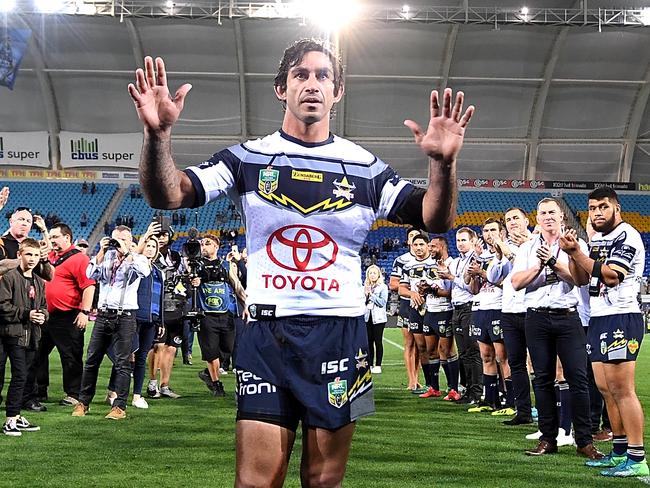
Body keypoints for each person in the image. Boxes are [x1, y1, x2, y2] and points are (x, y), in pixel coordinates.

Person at [128, 38, 474, 486]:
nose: (312, 84)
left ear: (338, 91)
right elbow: (168, 194)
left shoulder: (366, 167)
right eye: (300, 75)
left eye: (323, 76)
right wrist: (157, 138)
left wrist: (443, 166)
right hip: (267, 335)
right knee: (255, 482)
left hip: (342, 336)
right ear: (281, 89)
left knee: (324, 481)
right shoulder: (247, 158)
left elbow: (435, 218)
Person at [560, 188, 648, 477]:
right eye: (593, 208)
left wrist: (577, 253)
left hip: (621, 317)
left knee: (623, 390)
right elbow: (580, 278)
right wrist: (572, 255)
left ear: (617, 209)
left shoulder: (627, 236)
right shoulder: (597, 240)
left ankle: (637, 459)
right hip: (599, 318)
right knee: (606, 390)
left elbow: (611, 276)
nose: (597, 213)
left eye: (603, 207)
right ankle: (619, 451)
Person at [511, 197, 603, 460]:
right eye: (543, 213)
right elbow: (517, 282)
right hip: (536, 318)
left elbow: (580, 279)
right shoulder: (528, 248)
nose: (548, 217)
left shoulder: (576, 244)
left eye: (553, 212)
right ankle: (547, 439)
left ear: (562, 217)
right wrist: (541, 266)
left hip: (568, 317)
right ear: (537, 219)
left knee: (578, 378)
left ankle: (584, 440)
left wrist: (552, 263)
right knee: (542, 378)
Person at [71, 226, 150, 420]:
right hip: (103, 315)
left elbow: (144, 271)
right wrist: (101, 251)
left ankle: (119, 407)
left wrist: (127, 253)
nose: (118, 243)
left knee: (122, 363)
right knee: (91, 360)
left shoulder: (138, 258)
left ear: (131, 241)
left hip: (125, 316)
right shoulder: (105, 257)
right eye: (115, 239)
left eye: (123, 239)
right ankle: (83, 402)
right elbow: (90, 274)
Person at [36, 223, 95, 408]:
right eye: (50, 237)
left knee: (70, 356)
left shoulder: (80, 259)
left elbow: (89, 285)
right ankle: (38, 390)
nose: (52, 240)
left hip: (68, 315)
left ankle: (73, 393)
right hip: (46, 315)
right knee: (37, 354)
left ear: (67, 238)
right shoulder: (51, 257)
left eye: (55, 237)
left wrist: (85, 312)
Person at [0, 238, 48, 436]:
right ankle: (10, 419)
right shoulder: (9, 277)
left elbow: (44, 307)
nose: (32, 259)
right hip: (12, 335)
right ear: (19, 254)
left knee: (24, 377)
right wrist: (26, 314)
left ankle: (16, 416)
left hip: (31, 336)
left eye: (36, 255)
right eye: (28, 254)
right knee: (19, 376)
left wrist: (42, 316)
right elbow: (2, 306)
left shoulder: (39, 281)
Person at [192, 234, 245, 396]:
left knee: (227, 348)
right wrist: (193, 281)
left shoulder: (226, 265)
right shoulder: (196, 266)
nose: (203, 246)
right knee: (210, 351)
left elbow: (237, 286)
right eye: (202, 244)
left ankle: (208, 373)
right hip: (206, 315)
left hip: (225, 313)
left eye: (207, 243)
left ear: (216, 246)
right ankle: (216, 384)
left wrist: (246, 303)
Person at [390, 227, 423, 391]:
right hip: (406, 305)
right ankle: (411, 380)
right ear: (408, 241)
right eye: (411, 236)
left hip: (424, 306)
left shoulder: (428, 259)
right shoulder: (401, 260)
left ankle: (417, 378)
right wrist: (411, 292)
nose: (414, 239)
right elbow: (393, 284)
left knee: (420, 345)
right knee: (409, 343)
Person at [363, 265, 388, 374]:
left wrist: (371, 294)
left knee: (378, 341)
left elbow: (382, 303)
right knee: (368, 342)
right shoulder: (364, 287)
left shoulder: (383, 287)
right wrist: (365, 295)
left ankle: (378, 365)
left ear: (378, 274)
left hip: (379, 318)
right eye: (370, 273)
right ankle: (369, 364)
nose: (372, 275)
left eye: (374, 273)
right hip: (367, 317)